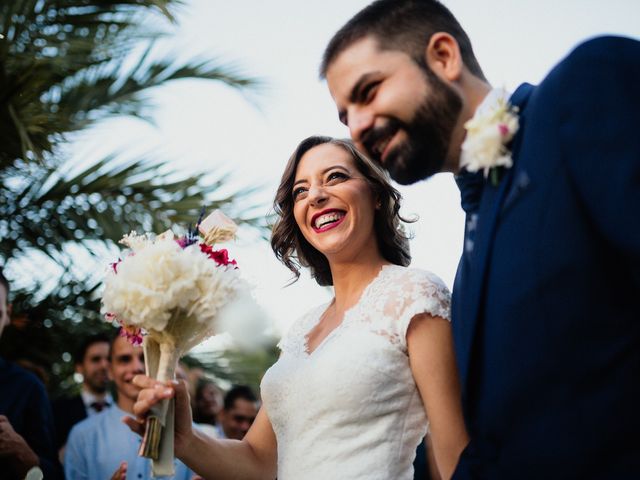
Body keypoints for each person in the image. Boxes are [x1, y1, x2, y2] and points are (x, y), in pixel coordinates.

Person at [320, 1, 640, 478]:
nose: (357, 127)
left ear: (444, 57)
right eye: (346, 115)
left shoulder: (583, 87)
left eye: (368, 92)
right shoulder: (467, 270)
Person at [126, 136, 468, 479]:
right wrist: (185, 440)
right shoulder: (303, 328)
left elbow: (452, 450)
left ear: (376, 195)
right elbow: (258, 462)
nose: (315, 196)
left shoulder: (416, 293)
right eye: (300, 191)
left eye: (335, 177)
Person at [64, 332, 194, 480]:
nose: (136, 367)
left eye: (144, 358)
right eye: (124, 359)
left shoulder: (190, 435)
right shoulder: (82, 436)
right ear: (110, 370)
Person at [52, 333, 112, 455]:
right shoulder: (58, 411)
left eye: (109, 359)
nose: (104, 365)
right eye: (96, 359)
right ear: (79, 367)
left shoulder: (128, 411)